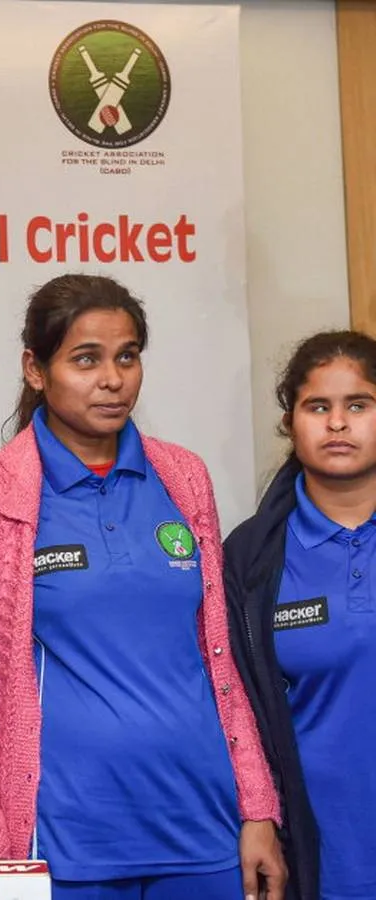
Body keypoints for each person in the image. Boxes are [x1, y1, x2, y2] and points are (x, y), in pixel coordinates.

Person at [0, 274, 286, 900]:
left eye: (127, 356)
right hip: (64, 844)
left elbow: (219, 663)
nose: (112, 379)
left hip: (203, 827)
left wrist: (256, 808)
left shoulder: (182, 477)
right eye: (86, 359)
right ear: (35, 370)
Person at [225, 330, 376, 900]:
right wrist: (256, 816)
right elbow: (231, 706)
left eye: (358, 405)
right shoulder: (250, 558)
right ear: (291, 422)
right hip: (317, 854)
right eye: (319, 406)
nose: (338, 423)